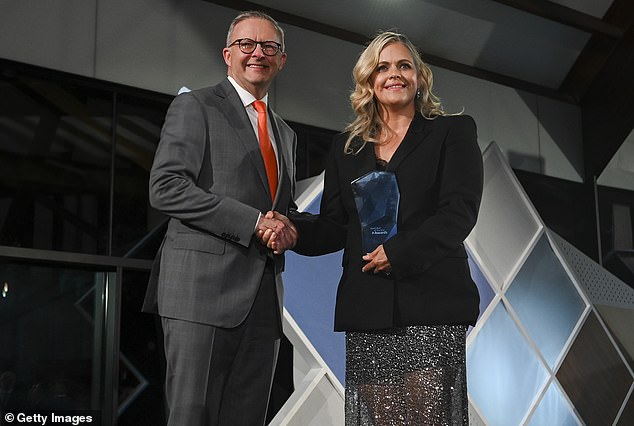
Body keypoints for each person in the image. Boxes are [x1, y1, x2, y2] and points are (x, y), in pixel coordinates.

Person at [265, 31, 483, 425]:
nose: (393, 74)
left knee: (425, 419)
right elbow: (335, 226)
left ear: (420, 77)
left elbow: (459, 213)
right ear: (369, 80)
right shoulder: (347, 147)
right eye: (382, 67)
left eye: (404, 65)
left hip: (430, 304)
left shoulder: (453, 132)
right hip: (367, 307)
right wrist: (294, 230)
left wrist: (397, 253)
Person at [142, 11, 298, 426]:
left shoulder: (285, 133)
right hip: (200, 296)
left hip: (263, 303)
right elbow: (167, 186)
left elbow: (281, 213)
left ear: (282, 60)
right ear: (228, 54)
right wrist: (253, 222)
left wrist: (291, 228)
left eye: (270, 47)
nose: (258, 53)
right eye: (247, 44)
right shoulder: (194, 105)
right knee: (192, 417)